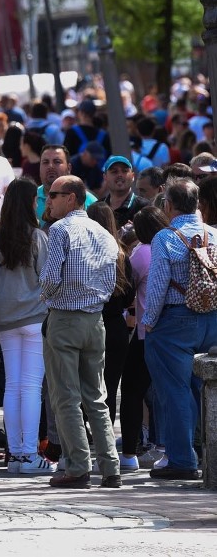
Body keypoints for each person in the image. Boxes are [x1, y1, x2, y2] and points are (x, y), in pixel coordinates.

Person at [40, 175, 121, 489]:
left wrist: (44, 297)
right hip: (95, 320)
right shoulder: (103, 232)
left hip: (65, 318)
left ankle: (77, 466)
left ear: (70, 198)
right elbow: (111, 281)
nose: (49, 201)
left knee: (66, 397)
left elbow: (50, 278)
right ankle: (110, 466)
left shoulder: (60, 230)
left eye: (54, 195)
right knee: (97, 396)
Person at [143, 178, 217, 481]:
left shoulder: (165, 237)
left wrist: (149, 321)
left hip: (175, 321)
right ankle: (203, 453)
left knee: (175, 390)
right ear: (197, 204)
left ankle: (183, 460)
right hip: (212, 319)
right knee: (204, 390)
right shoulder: (214, 233)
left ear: (168, 206)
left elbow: (159, 283)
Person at [0, 178, 53, 474]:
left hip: (5, 318)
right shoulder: (38, 237)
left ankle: (15, 455)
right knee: (31, 387)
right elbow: (48, 280)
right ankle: (28, 455)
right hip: (36, 317)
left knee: (13, 386)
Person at [119, 206, 170, 471]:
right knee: (171, 391)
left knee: (131, 391)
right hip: (173, 329)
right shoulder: (175, 246)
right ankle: (172, 449)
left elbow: (126, 292)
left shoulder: (141, 253)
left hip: (145, 332)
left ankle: (129, 453)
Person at [86, 202, 135, 425]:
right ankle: (103, 435)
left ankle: (85, 431)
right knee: (111, 385)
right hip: (115, 326)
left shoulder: (82, 254)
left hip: (88, 322)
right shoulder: (121, 255)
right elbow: (128, 295)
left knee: (85, 383)